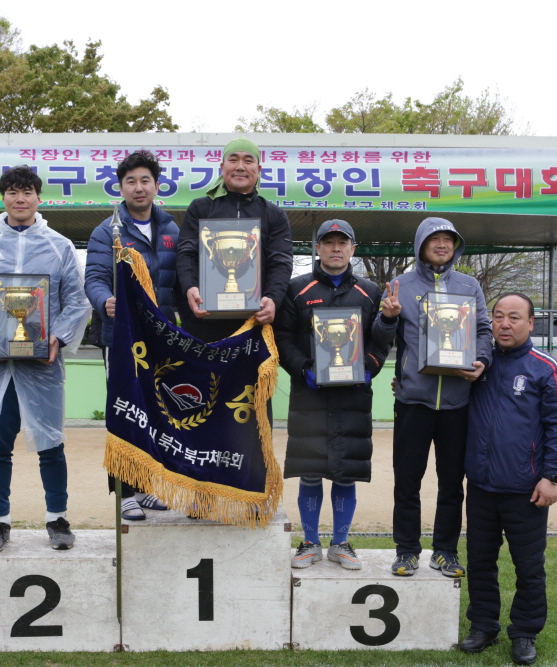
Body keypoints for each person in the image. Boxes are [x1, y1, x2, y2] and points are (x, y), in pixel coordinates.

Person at [0, 165, 90, 553]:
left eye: (27, 191)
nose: (20, 198)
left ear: (38, 197)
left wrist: (58, 339)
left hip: (42, 366)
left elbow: (76, 301)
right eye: (12, 191)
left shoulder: (60, 246)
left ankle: (57, 518)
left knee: (51, 443)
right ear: (3, 198)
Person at [374, 217, 492, 578]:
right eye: (435, 239)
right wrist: (389, 317)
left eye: (449, 239)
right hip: (413, 399)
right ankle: (407, 550)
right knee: (407, 480)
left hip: (458, 400)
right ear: (420, 244)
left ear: (456, 245)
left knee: (452, 481)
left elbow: (483, 329)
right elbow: (379, 335)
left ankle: (445, 550)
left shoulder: (469, 285)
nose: (442, 244)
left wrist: (482, 361)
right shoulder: (400, 285)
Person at [459, 293, 557, 665]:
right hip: (480, 486)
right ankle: (483, 625)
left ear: (530, 323)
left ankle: (524, 632)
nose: (504, 324)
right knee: (479, 561)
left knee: (528, 566)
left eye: (513, 317)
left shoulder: (546, 368)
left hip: (526, 490)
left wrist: (551, 476)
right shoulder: (479, 363)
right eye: (498, 317)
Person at [275, 220, 392, 570]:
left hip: (353, 397)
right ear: (318, 248)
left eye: (343, 242)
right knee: (310, 472)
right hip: (310, 397)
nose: (336, 248)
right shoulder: (296, 289)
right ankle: (310, 542)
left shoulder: (371, 292)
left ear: (353, 249)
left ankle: (341, 543)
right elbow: (283, 338)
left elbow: (380, 341)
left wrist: (368, 366)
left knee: (345, 472)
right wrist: (303, 369)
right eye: (329, 242)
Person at [84, 149, 175, 520]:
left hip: (162, 339)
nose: (139, 188)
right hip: (120, 339)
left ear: (156, 185)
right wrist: (105, 300)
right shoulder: (108, 230)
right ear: (121, 187)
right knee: (125, 413)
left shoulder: (172, 230)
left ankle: (150, 487)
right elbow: (93, 279)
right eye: (131, 181)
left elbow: (187, 281)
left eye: (145, 180)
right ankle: (125, 492)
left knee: (158, 412)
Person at [176, 137, 293, 342]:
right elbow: (187, 253)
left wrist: (273, 299)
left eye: (248, 160)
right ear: (222, 167)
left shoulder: (274, 214)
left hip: (254, 322)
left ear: (259, 169)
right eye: (233, 160)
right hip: (205, 322)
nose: (240, 166)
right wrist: (190, 287)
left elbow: (280, 261)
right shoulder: (200, 208)